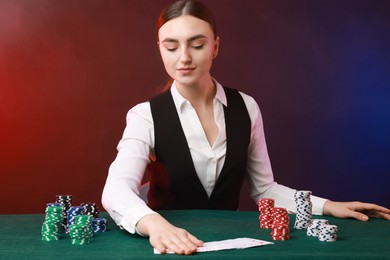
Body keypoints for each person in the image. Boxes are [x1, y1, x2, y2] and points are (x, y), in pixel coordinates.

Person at [102, 0, 390, 255]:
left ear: (215, 46)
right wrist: (153, 225)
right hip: (170, 246)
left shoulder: (247, 107)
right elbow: (116, 189)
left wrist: (328, 206)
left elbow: (264, 189)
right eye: (172, 46)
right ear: (160, 49)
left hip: (231, 244)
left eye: (197, 44)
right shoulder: (144, 116)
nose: (184, 58)